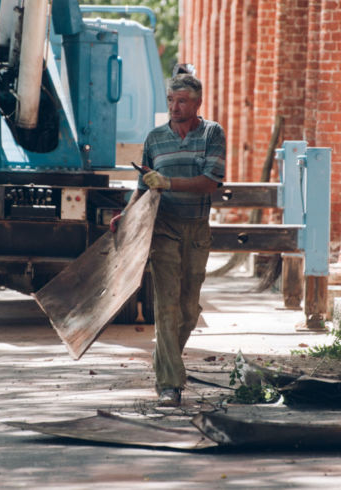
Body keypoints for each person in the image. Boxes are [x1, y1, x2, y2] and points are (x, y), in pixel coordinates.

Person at [111, 73, 226, 407]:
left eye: (182, 101)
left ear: (197, 103)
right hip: (164, 228)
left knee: (189, 310)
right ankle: (169, 383)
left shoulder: (212, 133)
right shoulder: (155, 139)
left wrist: (169, 182)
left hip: (197, 230)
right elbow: (144, 185)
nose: (175, 108)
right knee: (166, 306)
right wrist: (126, 213)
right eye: (170, 101)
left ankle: (165, 362)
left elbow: (209, 181)